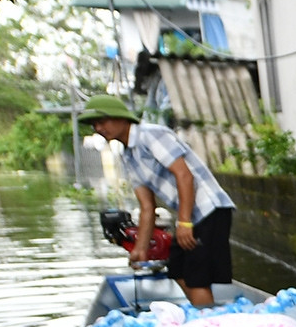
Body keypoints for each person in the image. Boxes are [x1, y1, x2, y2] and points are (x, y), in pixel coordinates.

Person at [84, 94, 236, 307]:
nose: (98, 128)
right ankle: (203, 314)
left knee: (197, 276)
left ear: (121, 118)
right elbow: (147, 207)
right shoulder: (128, 156)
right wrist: (141, 248)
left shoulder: (152, 135)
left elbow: (184, 175)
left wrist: (184, 222)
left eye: (102, 121)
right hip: (190, 214)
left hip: (209, 208)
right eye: (94, 125)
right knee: (177, 268)